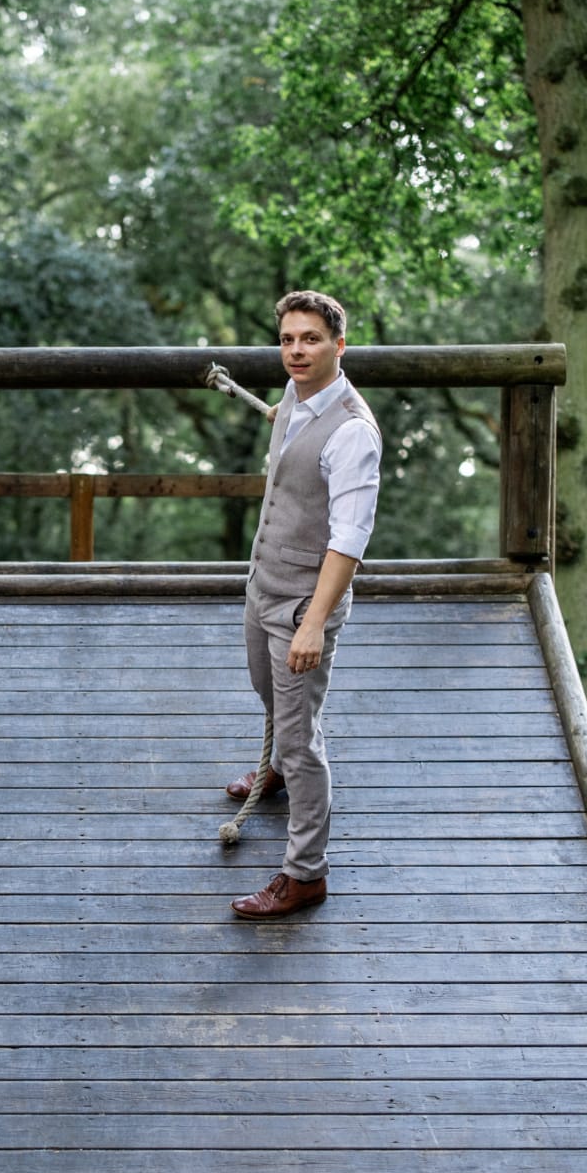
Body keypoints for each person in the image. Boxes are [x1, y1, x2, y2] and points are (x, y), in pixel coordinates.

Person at [226, 290, 383, 920]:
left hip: (301, 606)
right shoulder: (294, 396)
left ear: (339, 346)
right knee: (267, 692)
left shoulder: (351, 432)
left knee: (301, 740)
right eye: (288, 339)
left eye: (311, 339)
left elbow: (349, 539)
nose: (296, 350)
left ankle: (305, 873)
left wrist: (313, 624)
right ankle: (277, 770)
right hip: (263, 585)